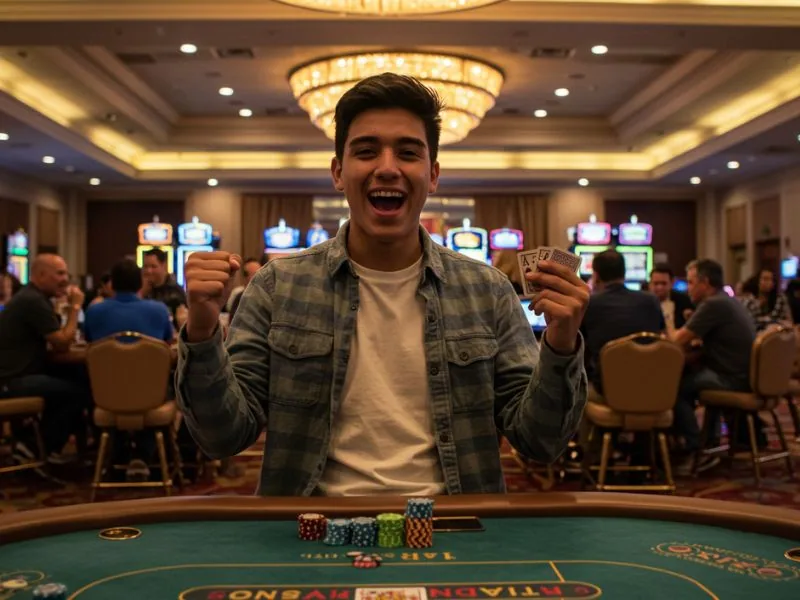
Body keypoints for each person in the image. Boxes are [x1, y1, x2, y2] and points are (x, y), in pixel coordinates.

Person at [176, 73, 590, 496]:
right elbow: (222, 437)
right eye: (366, 151)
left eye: (408, 153)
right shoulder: (276, 286)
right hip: (309, 522)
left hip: (458, 521)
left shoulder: (489, 291)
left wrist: (561, 342)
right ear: (338, 172)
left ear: (433, 175)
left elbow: (540, 442)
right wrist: (203, 329)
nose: (388, 168)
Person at [670, 259, 758, 472]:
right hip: (743, 374)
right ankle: (707, 440)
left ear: (705, 282)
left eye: (691, 282)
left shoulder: (713, 304)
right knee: (688, 378)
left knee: (673, 390)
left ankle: (696, 448)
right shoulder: (726, 300)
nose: (687, 288)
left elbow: (676, 341)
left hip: (732, 378)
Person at [0, 254, 89, 460]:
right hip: (11, 381)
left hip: (17, 374)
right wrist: (75, 307)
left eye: (66, 274)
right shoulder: (33, 301)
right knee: (79, 392)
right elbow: (62, 343)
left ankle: (37, 442)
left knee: (76, 377)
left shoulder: (32, 297)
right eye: (60, 273)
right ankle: (34, 448)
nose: (65, 279)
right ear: (40, 275)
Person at [581, 250, 665, 394]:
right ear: (624, 273)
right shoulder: (651, 300)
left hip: (608, 388)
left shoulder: (589, 303)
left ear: (596, 276)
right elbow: (662, 338)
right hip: (649, 384)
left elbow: (578, 346)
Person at [84, 259, 175, 344]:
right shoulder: (160, 310)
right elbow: (169, 342)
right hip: (148, 357)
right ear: (140, 283)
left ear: (112, 284)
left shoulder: (94, 311)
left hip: (105, 357)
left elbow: (88, 342)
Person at [648, 263, 694, 335]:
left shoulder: (685, 301)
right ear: (650, 284)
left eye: (663, 283)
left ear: (672, 283)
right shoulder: (643, 302)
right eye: (656, 283)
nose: (660, 287)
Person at [141, 248, 186, 317]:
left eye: (153, 266)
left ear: (164, 266)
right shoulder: (140, 290)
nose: (148, 271)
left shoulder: (175, 292)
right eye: (145, 266)